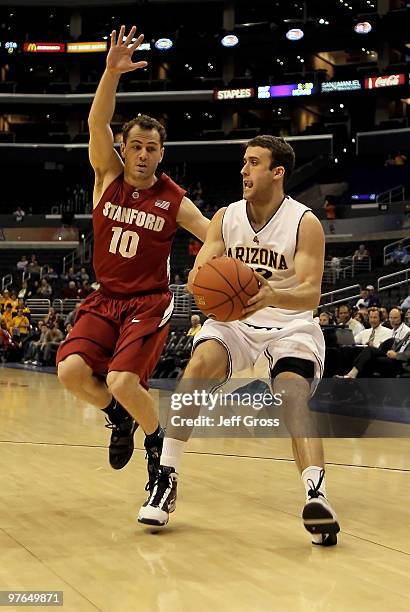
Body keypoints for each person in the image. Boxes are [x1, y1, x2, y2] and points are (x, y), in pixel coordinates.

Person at [139, 135, 340, 546]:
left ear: (277, 171)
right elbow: (198, 274)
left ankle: (316, 495)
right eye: (243, 163)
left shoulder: (305, 222)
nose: (243, 171)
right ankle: (166, 477)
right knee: (198, 367)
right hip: (235, 322)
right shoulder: (226, 216)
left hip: (289, 323)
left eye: (253, 163)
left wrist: (272, 295)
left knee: (291, 393)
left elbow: (310, 293)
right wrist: (206, 283)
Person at [56, 26, 209, 490]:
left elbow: (213, 237)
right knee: (71, 372)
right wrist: (110, 73)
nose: (143, 155)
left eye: (152, 148)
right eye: (136, 146)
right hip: (105, 298)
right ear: (124, 149)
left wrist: (214, 269)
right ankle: (118, 420)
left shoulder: (174, 199)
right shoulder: (107, 176)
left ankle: (155, 440)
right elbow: (96, 123)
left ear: (162, 154)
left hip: (147, 302)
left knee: (123, 381)